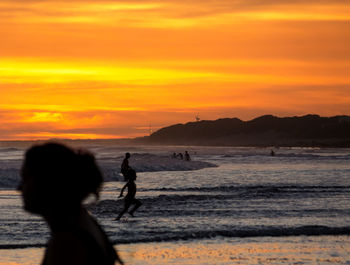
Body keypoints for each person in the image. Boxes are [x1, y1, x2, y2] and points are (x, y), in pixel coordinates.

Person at [18, 142, 123, 265]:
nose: (19, 188)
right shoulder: (84, 221)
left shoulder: (66, 243)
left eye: (25, 179)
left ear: (48, 183)